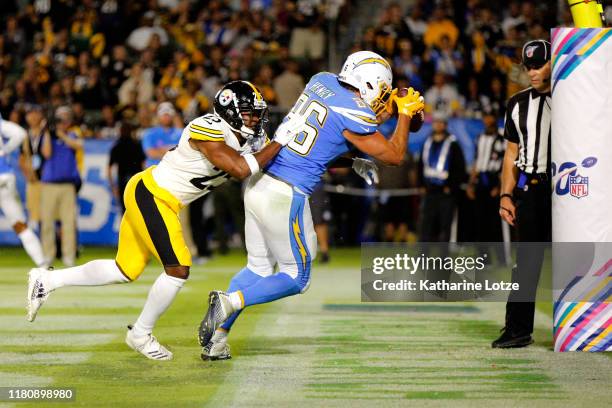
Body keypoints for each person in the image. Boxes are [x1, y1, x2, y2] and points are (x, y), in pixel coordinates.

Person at [27, 81, 296, 361]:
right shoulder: (208, 128)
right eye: (248, 112)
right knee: (178, 268)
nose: (254, 119)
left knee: (125, 269)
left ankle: (47, 279)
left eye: (256, 113)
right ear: (228, 111)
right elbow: (241, 169)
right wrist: (279, 141)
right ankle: (141, 333)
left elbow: (278, 160)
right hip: (153, 194)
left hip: (159, 198)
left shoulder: (253, 139)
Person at [198, 51, 425, 360]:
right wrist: (406, 114)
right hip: (284, 194)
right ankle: (230, 302)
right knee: (297, 278)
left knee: (259, 267)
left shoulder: (322, 81)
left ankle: (218, 340)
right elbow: (395, 155)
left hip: (259, 183)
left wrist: (355, 159)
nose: (383, 100)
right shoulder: (354, 114)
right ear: (370, 84)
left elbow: (325, 138)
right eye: (382, 92)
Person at [493, 40, 552, 349]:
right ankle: (517, 329)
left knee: (581, 257)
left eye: (539, 65)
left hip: (569, 190)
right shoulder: (517, 103)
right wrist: (506, 195)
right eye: (528, 66)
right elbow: (510, 154)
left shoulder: (574, 100)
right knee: (525, 262)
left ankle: (588, 328)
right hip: (531, 189)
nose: (532, 71)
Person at [0, 115, 47, 268]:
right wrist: (4, 150)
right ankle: (43, 265)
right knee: (20, 225)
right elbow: (19, 133)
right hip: (5, 178)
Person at [40, 106, 82, 267]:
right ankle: (48, 256)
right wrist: (47, 132)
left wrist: (61, 134)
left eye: (65, 119)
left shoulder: (72, 134)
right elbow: (47, 153)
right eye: (60, 120)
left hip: (67, 185)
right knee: (47, 222)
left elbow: (77, 145)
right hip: (49, 184)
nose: (62, 122)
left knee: (69, 222)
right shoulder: (48, 137)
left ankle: (68, 257)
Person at [418, 111, 466, 243]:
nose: (437, 125)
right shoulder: (427, 142)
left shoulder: (453, 143)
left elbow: (459, 168)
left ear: (445, 125)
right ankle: (423, 258)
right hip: (429, 191)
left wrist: (451, 187)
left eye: (440, 122)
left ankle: (443, 260)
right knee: (426, 226)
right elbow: (421, 165)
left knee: (445, 226)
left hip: (445, 193)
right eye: (435, 122)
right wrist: (421, 185)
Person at [107, 122, 146, 214]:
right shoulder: (137, 145)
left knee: (125, 213)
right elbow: (144, 165)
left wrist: (113, 186)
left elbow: (109, 168)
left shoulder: (116, 146)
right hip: (137, 183)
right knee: (138, 212)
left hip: (123, 182)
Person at [141, 102, 182, 168]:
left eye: (168, 115)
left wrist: (160, 150)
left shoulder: (180, 133)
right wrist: (172, 150)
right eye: (163, 115)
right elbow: (151, 153)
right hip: (154, 169)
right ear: (158, 116)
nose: (166, 117)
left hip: (174, 170)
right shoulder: (149, 133)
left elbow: (183, 153)